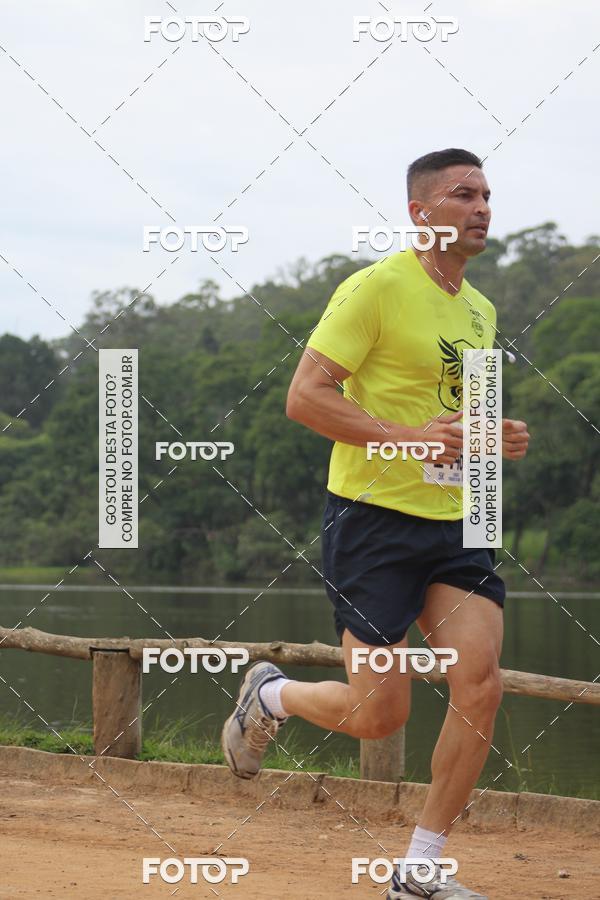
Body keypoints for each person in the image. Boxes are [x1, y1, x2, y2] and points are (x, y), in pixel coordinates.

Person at [221, 148, 530, 898]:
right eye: (464, 194)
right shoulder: (375, 289)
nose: (482, 206)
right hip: (373, 521)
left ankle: (419, 870)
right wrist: (417, 437)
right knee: (378, 713)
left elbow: (457, 424)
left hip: (454, 525)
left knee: (480, 681)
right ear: (421, 212)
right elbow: (305, 398)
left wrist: (493, 438)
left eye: (488, 194)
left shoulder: (480, 310)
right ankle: (272, 696)